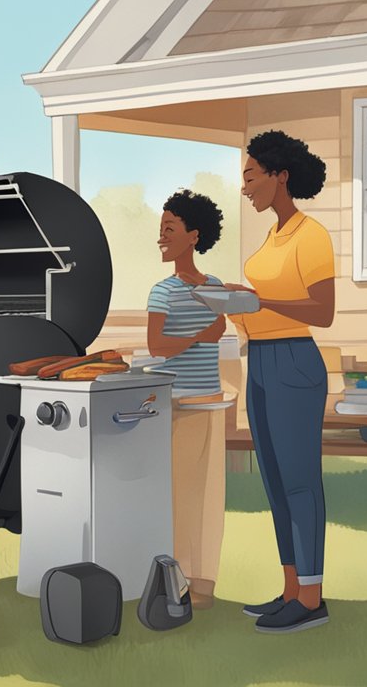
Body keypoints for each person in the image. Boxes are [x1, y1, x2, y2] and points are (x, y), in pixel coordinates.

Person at [227, 130, 335, 634]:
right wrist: (234, 305)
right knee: (273, 480)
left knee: (299, 480)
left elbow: (324, 311)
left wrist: (261, 303)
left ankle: (312, 598)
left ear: (280, 176)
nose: (245, 187)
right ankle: (292, 588)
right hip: (262, 364)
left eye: (250, 177)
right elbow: (261, 305)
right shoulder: (273, 235)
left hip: (294, 363)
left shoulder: (311, 235)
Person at [146, 189, 227, 609]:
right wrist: (199, 336)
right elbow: (156, 345)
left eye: (169, 229)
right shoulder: (162, 291)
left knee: (208, 498)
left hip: (207, 403)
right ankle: (174, 583)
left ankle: (203, 583)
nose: (161, 237)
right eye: (160, 229)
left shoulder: (214, 287)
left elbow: (222, 327)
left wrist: (205, 335)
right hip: (176, 406)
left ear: (194, 236)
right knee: (178, 498)